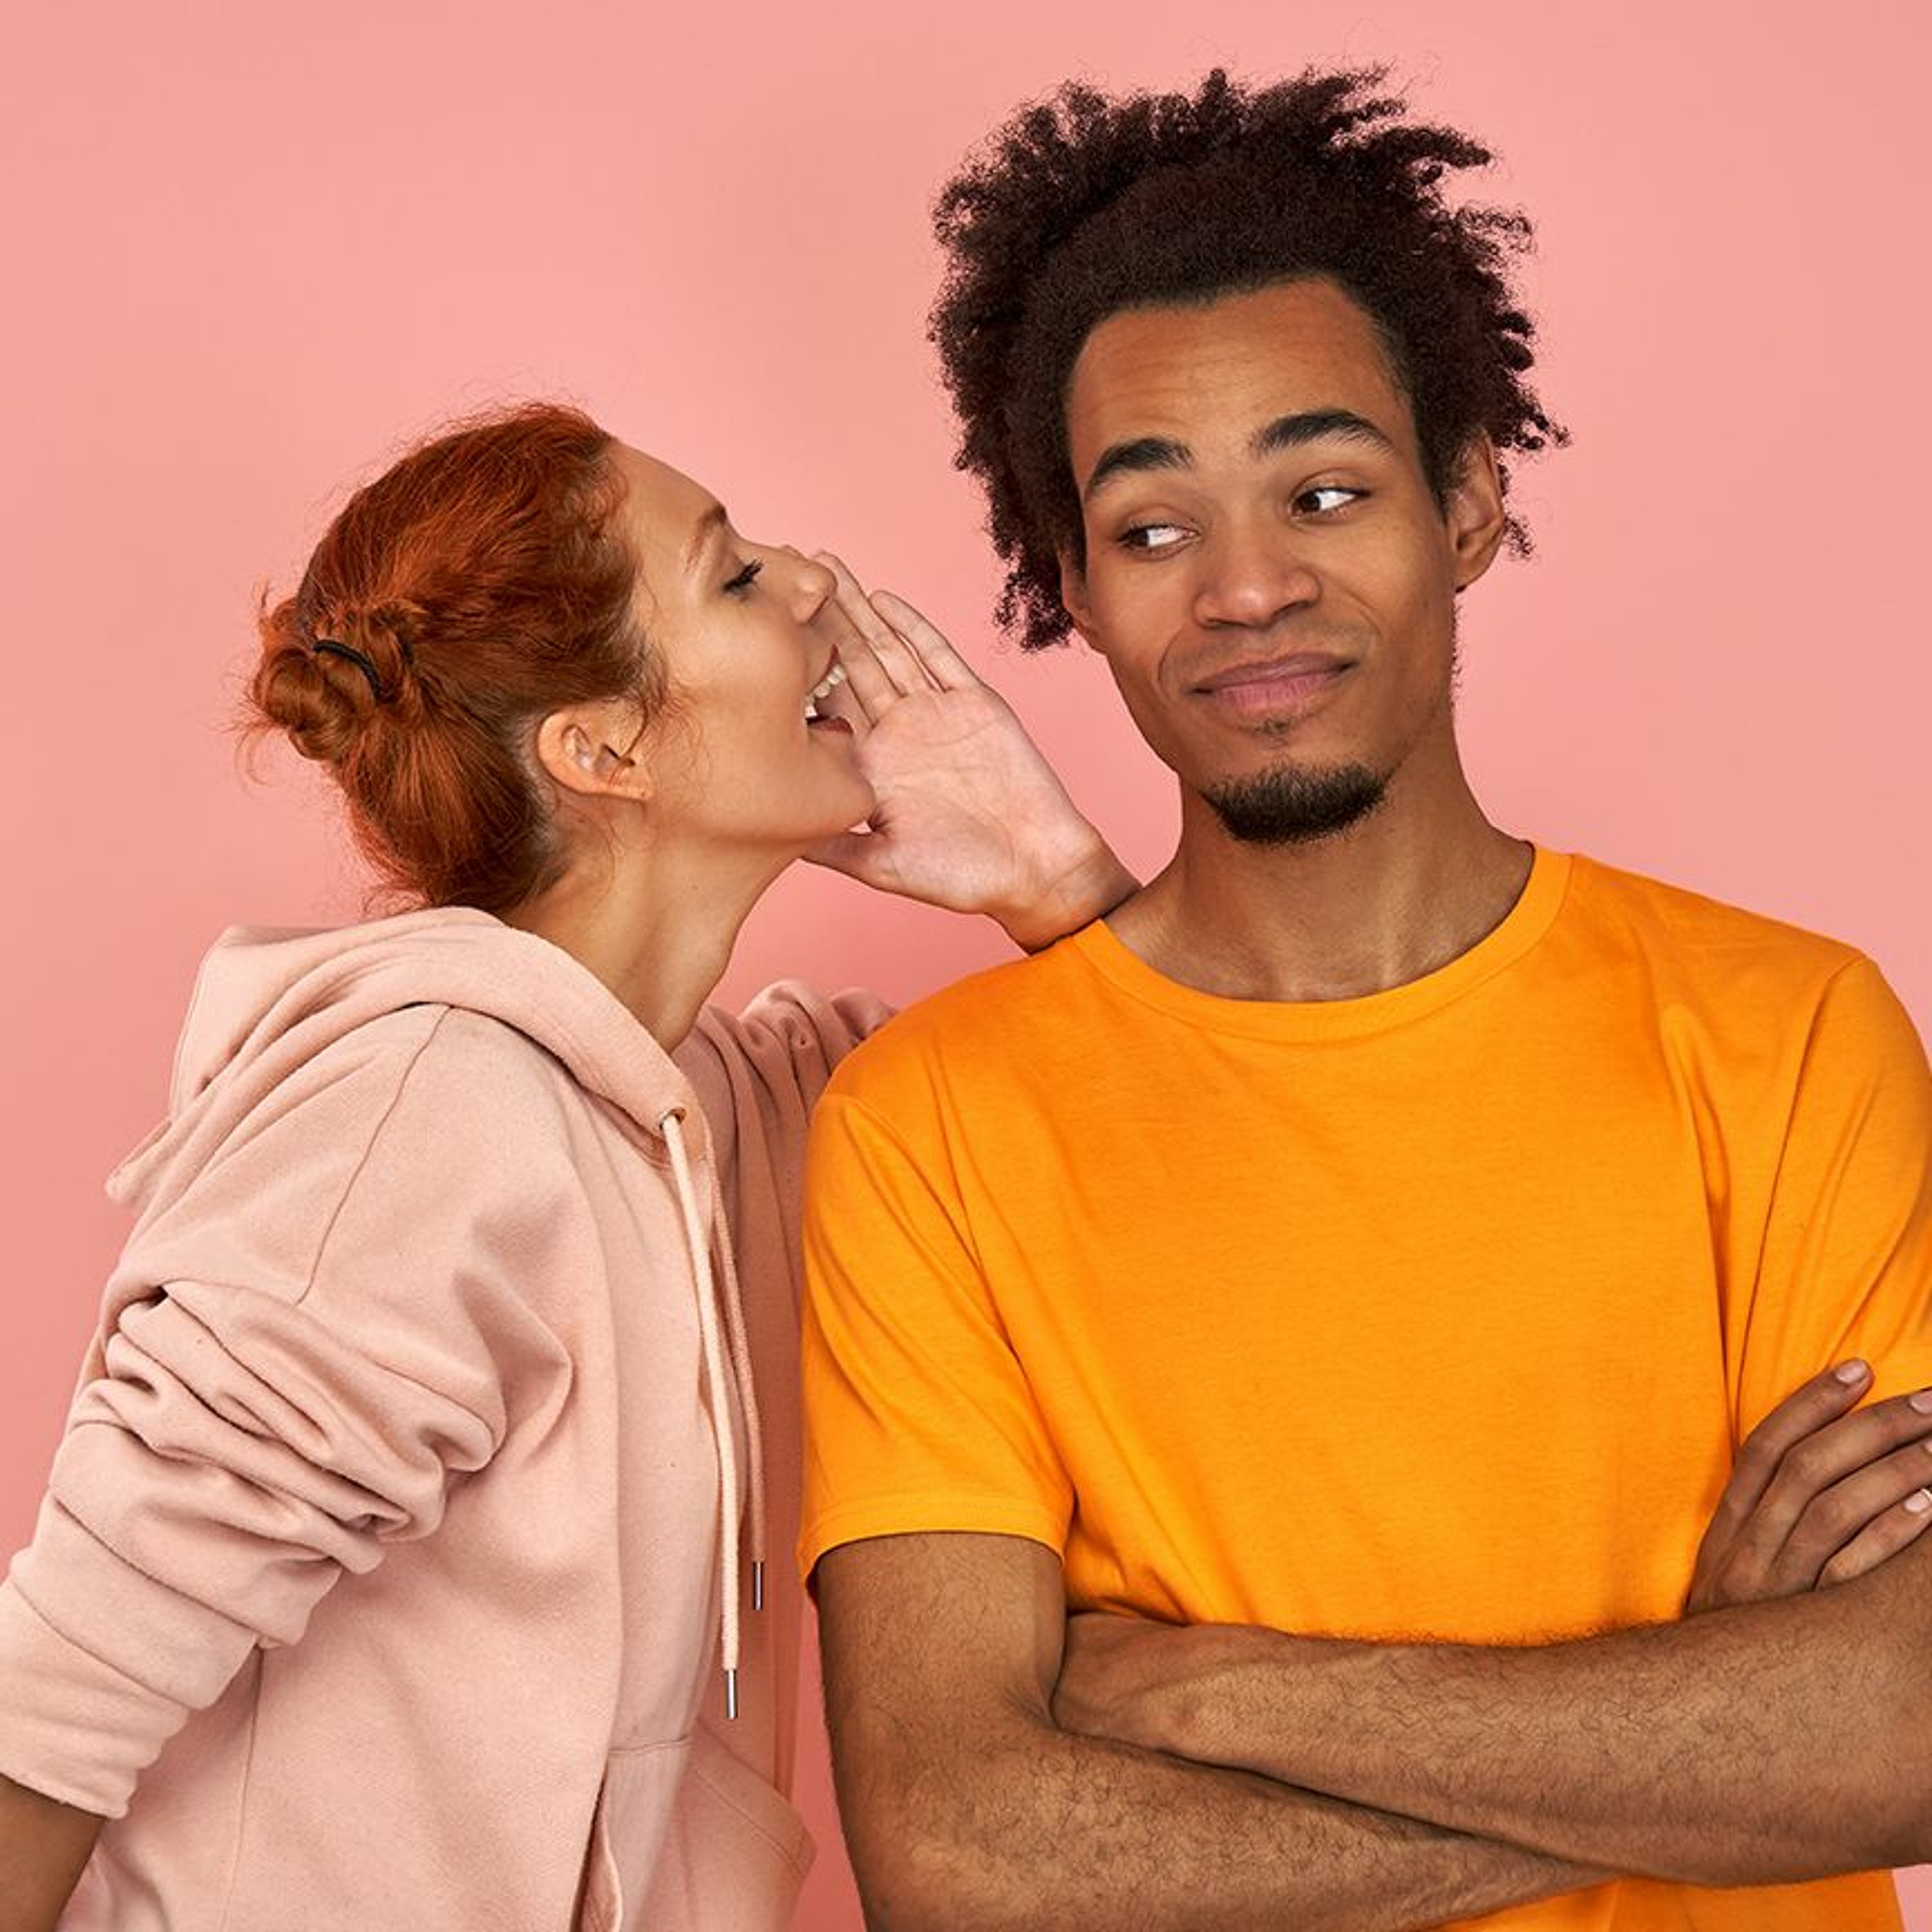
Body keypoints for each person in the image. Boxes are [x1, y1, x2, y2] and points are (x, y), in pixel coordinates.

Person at [799, 69, 1932, 1931]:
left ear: (1468, 502)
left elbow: (1896, 1728)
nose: (1247, 588)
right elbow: (966, 1865)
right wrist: (1698, 1722)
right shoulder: (930, 1126)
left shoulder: (1790, 1033)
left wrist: (1212, 1695)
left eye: (1324, 493)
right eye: (1153, 531)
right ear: (1072, 583)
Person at [0, 401, 1139, 1931]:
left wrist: (1054, 876)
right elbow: (49, 1713)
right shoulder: (426, 1116)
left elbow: (1159, 1129)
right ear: (601, 747)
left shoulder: (750, 1107)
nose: (815, 579)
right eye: (736, 575)